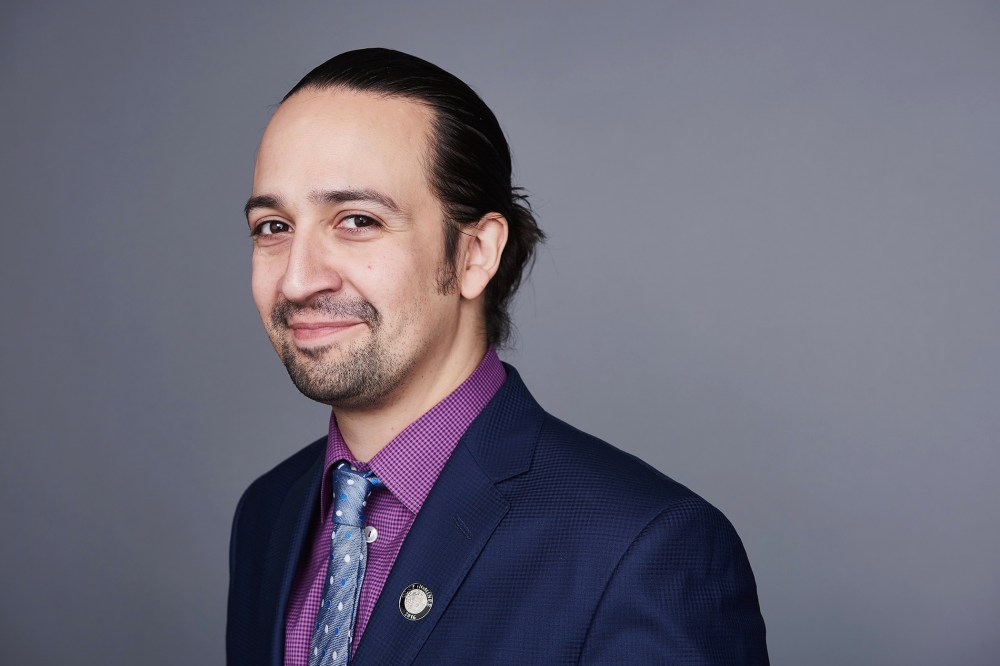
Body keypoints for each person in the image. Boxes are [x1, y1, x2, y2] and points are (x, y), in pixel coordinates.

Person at [227, 47, 768, 665]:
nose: (297, 281)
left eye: (357, 220)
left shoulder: (642, 548)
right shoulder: (269, 514)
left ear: (476, 252)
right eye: (273, 227)